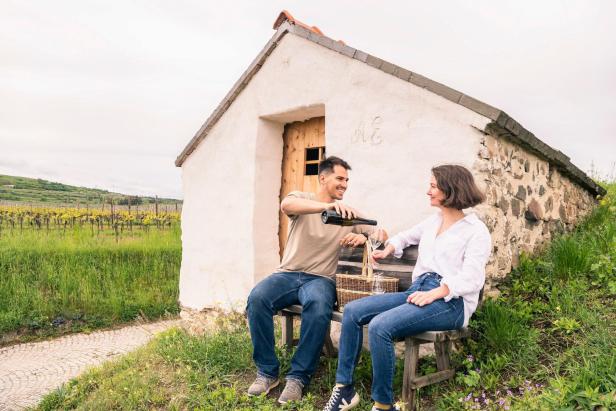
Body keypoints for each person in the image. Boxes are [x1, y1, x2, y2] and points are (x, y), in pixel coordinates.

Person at [323, 164, 492, 411]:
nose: (428, 191)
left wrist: (437, 292)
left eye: (433, 186)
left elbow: (473, 278)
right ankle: (345, 390)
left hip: (450, 302)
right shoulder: (434, 222)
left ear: (450, 189)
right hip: (419, 290)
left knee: (381, 326)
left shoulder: (476, 231)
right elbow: (405, 237)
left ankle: (383, 405)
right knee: (353, 311)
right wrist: (388, 249)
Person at [246, 156, 387, 404]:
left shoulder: (348, 214)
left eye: (347, 180)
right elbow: (287, 205)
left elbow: (382, 232)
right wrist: (326, 208)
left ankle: (298, 377)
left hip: (321, 280)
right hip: (287, 274)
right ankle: (267, 373)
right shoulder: (304, 200)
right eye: (340, 178)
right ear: (323, 178)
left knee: (318, 306)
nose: (344, 184)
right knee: (257, 299)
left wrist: (365, 238)